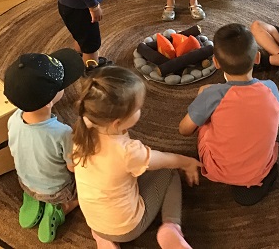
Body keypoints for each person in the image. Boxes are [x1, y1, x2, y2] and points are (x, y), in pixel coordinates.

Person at [73, 66, 201, 249]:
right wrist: (187, 162)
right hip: (128, 227)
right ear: (117, 123)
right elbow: (164, 160)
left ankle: (103, 240)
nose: (141, 110)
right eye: (138, 109)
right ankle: (171, 227)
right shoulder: (128, 152)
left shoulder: (82, 130)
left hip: (94, 221)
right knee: (169, 172)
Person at [179, 24, 279, 206]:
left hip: (217, 169)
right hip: (260, 170)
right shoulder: (271, 88)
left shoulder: (212, 95)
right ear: (257, 58)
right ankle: (256, 177)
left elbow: (185, 129)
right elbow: (277, 118)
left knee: (205, 113)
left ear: (216, 63)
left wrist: (203, 100)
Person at [4, 48, 85, 243]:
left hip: (25, 182)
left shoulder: (13, 119)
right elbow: (72, 167)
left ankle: (33, 198)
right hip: (57, 191)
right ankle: (60, 209)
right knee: (87, 190)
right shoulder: (62, 133)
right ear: (50, 101)